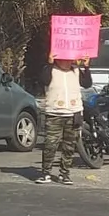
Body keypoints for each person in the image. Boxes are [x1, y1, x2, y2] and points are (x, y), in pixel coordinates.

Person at [36, 54, 91, 185]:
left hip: (73, 113)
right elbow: (43, 80)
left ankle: (64, 174)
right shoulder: (51, 70)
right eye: (63, 59)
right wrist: (49, 63)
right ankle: (46, 173)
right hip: (54, 113)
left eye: (68, 59)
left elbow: (87, 84)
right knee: (51, 144)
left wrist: (86, 67)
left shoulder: (76, 71)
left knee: (69, 146)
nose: (66, 62)